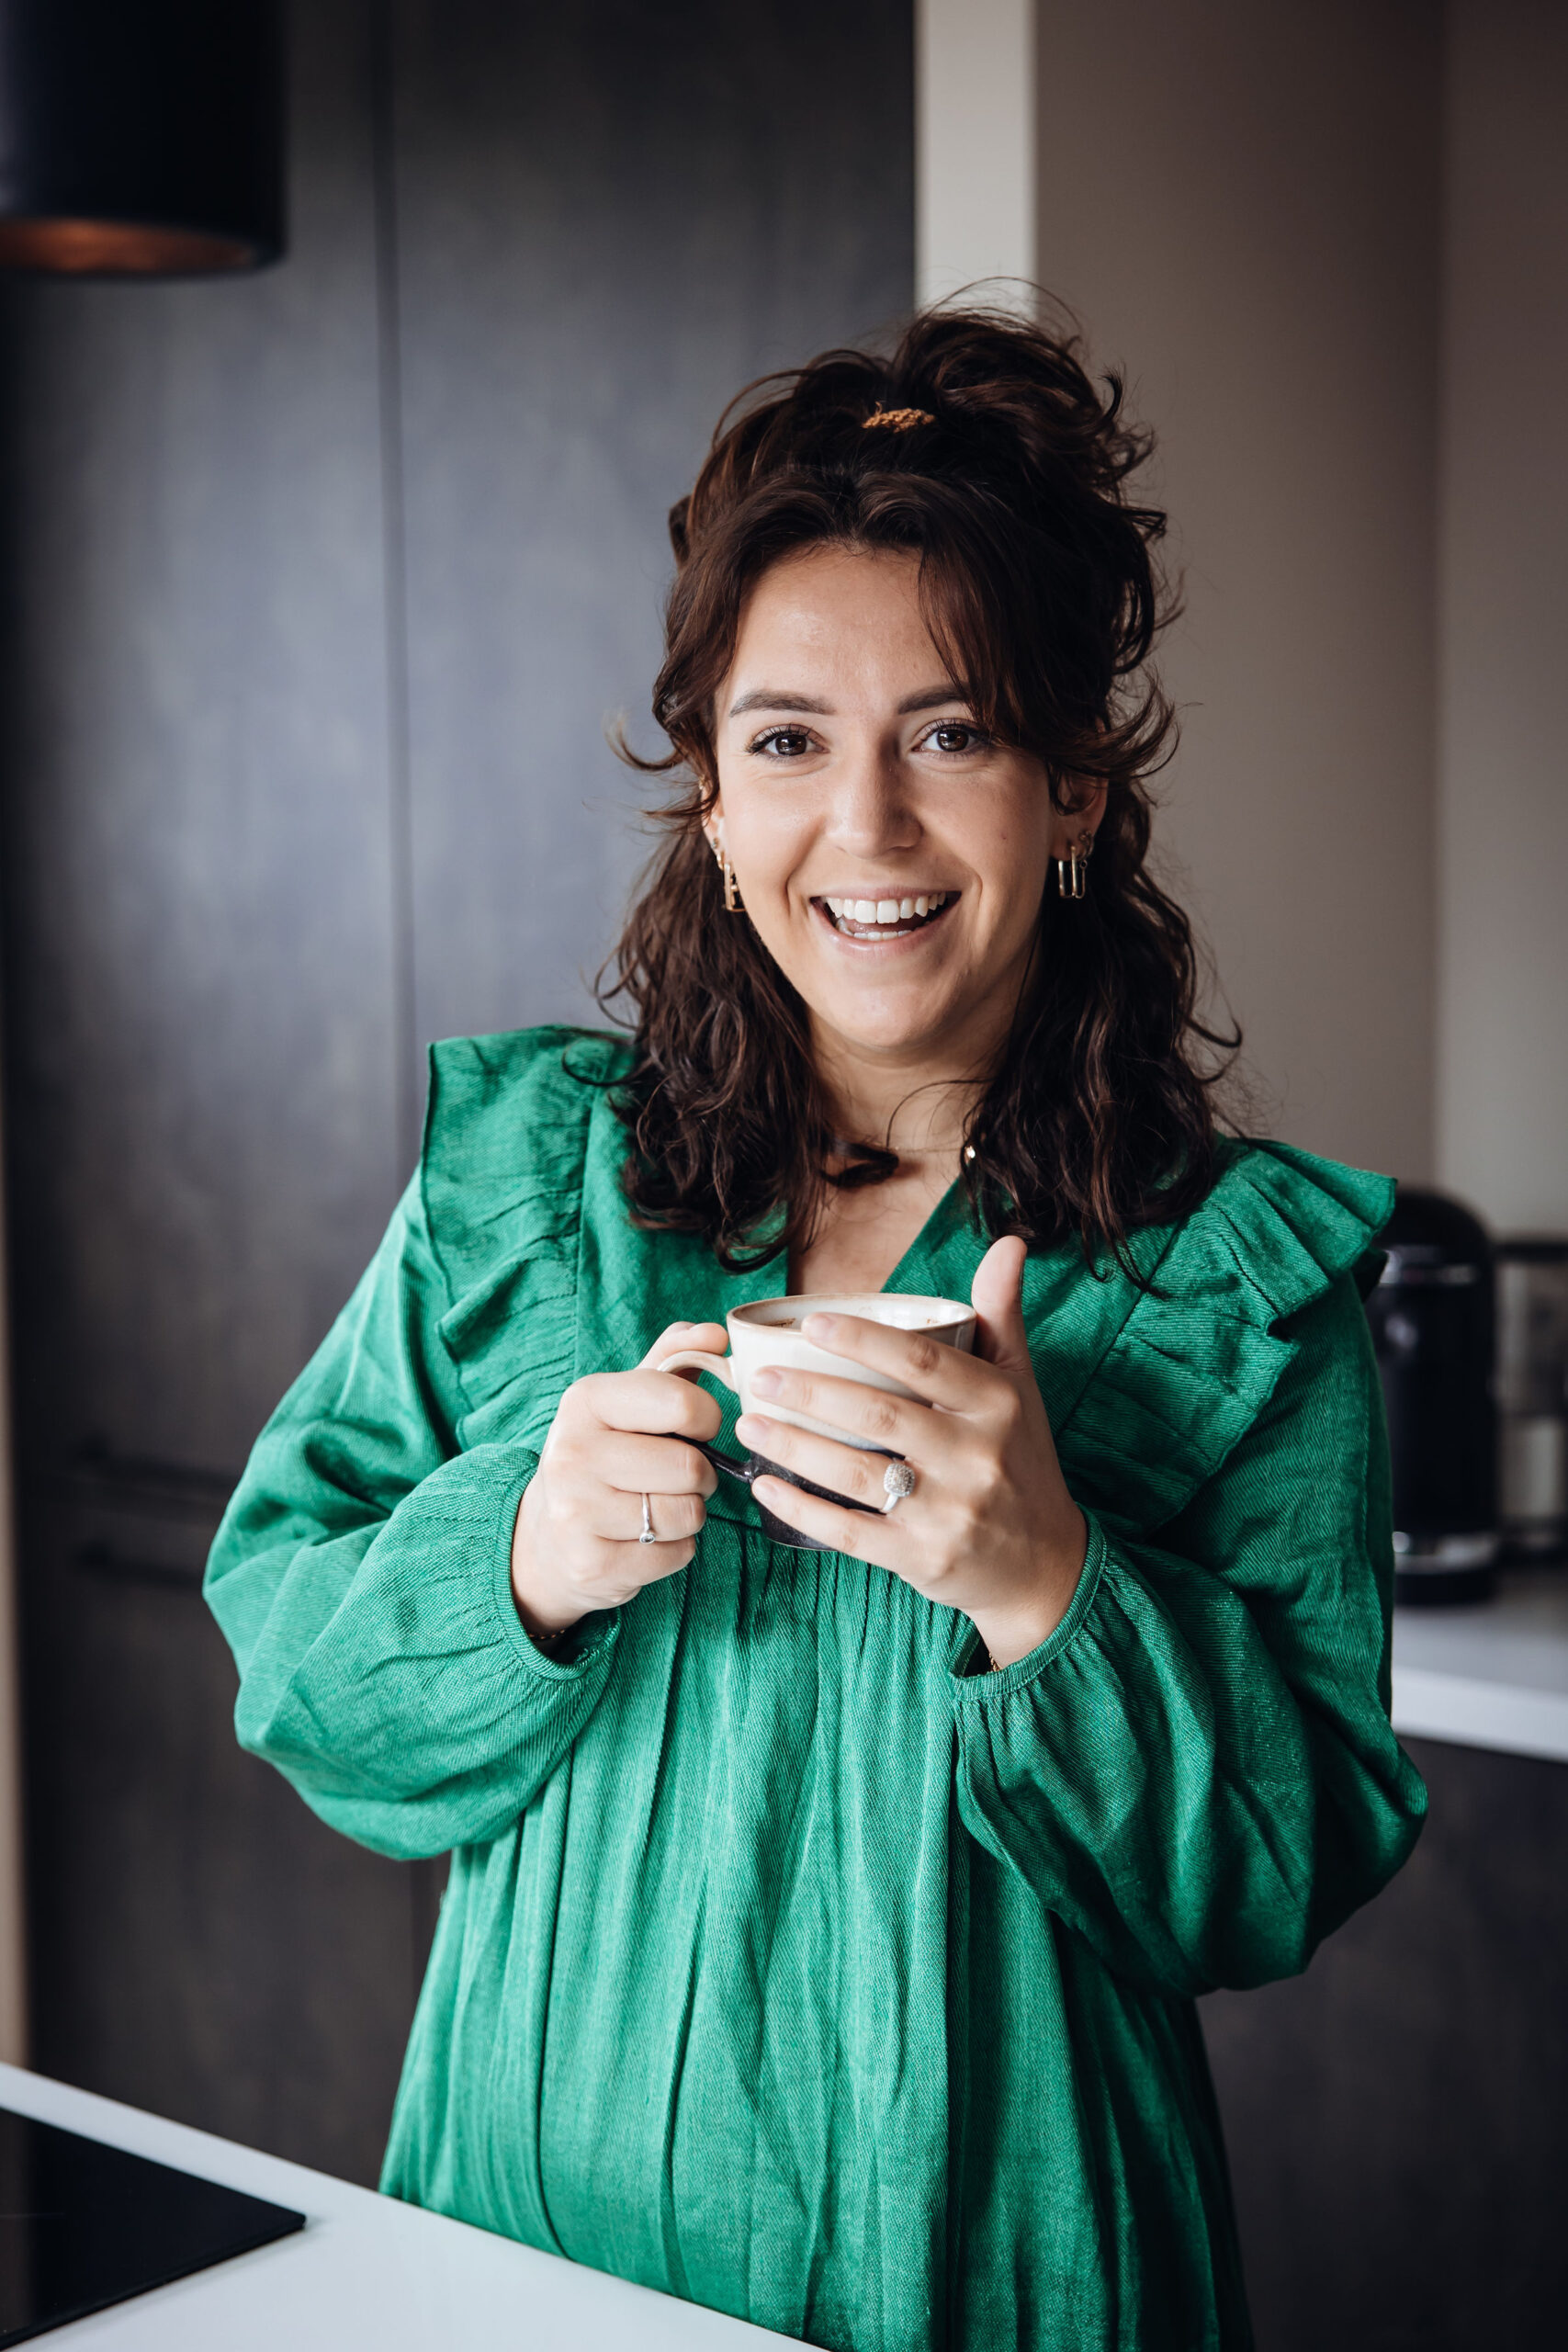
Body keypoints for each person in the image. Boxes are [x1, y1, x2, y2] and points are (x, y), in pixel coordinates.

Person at [206, 306, 1426, 2352]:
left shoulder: (1236, 1280)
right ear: (708, 791)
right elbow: (295, 1662)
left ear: (1073, 792)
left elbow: (1269, 1882)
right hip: (521, 2254)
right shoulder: (523, 1183)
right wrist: (519, 1555)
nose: (865, 828)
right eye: (786, 741)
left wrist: (1047, 1583)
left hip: (999, 2275)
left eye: (949, 734)